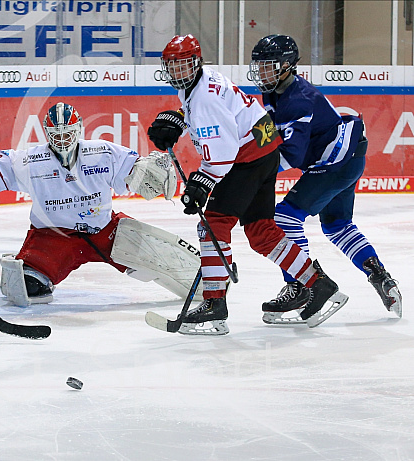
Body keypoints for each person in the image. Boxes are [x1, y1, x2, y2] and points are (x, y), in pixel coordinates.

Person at [146, 34, 348, 335]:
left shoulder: (203, 98)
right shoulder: (200, 82)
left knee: (212, 225)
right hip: (264, 151)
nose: (178, 72)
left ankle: (215, 304)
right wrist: (178, 119)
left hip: (247, 158)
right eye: (172, 66)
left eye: (183, 65)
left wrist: (201, 184)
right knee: (261, 231)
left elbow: (223, 152)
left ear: (196, 62)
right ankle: (319, 285)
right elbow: (220, 116)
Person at [0, 101, 203, 307]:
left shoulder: (102, 152)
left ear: (79, 129)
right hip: (54, 237)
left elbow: (134, 169)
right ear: (47, 134)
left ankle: (209, 284)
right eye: (56, 135)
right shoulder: (33, 160)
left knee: (182, 269)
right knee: (26, 289)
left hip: (106, 232)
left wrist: (149, 172)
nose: (62, 140)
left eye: (68, 134)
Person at [248, 34, 402, 320]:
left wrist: (250, 175)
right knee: (337, 225)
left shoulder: (297, 100)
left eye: (268, 65)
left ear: (286, 66)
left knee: (284, 217)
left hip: (335, 163)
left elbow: (291, 155)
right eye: (258, 65)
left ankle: (302, 286)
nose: (261, 72)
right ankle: (381, 277)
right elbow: (272, 137)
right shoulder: (274, 92)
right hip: (346, 159)